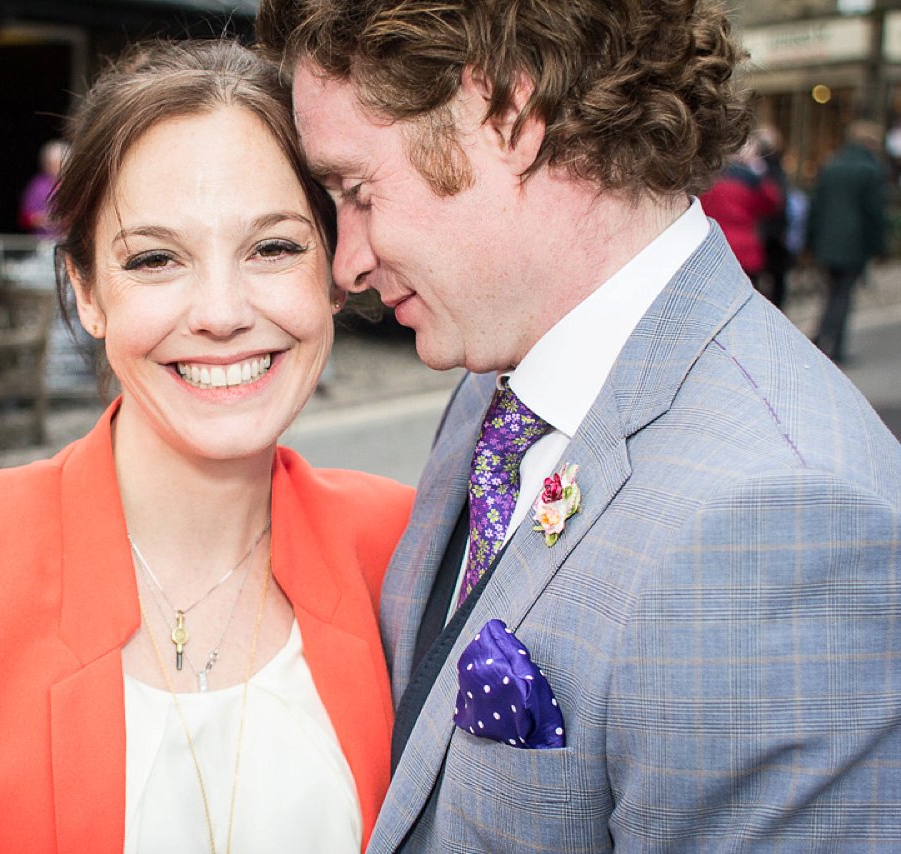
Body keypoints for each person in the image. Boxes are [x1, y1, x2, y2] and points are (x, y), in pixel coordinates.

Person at [258, 0, 901, 850]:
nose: (349, 261)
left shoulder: (783, 518)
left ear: (509, 115)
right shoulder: (499, 373)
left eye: (359, 191)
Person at [0, 39, 414, 852]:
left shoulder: (406, 544)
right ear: (86, 293)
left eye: (274, 248)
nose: (221, 311)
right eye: (156, 258)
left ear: (332, 271)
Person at [805, 119, 890, 364]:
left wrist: (811, 242)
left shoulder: (832, 164)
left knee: (832, 292)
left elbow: (816, 206)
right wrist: (878, 246)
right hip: (853, 242)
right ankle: (834, 346)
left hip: (827, 241)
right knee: (843, 294)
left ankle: (822, 337)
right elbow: (874, 211)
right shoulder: (870, 169)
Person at [699, 133, 782, 290]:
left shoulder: (712, 180)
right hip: (745, 250)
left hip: (717, 249)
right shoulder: (754, 183)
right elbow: (772, 204)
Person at [755, 124, 794, 309]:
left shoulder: (768, 170)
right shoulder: (754, 172)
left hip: (770, 232)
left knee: (775, 279)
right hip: (762, 232)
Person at [19, 139, 69, 237]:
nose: (56, 167)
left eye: (60, 163)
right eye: (52, 163)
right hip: (42, 242)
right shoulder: (37, 185)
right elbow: (24, 218)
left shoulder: (73, 184)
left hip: (68, 241)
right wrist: (41, 219)